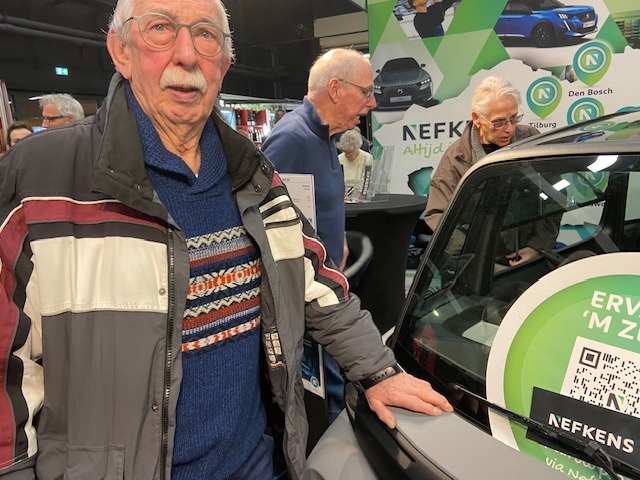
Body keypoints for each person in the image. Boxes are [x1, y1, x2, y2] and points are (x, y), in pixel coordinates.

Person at [0, 1, 452, 480]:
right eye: (160, 29)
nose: (186, 54)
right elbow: (7, 359)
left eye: (205, 34)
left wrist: (379, 371)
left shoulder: (252, 174)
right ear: (121, 51)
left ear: (225, 62)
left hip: (256, 465)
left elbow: (315, 282)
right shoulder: (41, 177)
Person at [261, 48, 378, 426]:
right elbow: (267, 226)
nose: (372, 103)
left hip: (325, 288)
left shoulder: (326, 137)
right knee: (325, 394)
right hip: (308, 300)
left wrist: (337, 238)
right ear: (335, 89)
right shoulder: (292, 140)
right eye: (366, 92)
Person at [425, 75, 558, 266]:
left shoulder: (531, 140)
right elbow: (437, 215)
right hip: (479, 265)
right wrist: (474, 254)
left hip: (529, 257)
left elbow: (554, 195)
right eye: (499, 122)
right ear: (477, 118)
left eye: (514, 118)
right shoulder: (455, 159)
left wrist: (538, 247)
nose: (509, 129)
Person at [337, 127, 373, 199]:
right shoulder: (339, 159)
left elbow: (368, 180)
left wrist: (362, 194)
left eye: (350, 152)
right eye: (345, 152)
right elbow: (337, 181)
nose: (348, 155)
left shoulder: (367, 157)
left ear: (357, 148)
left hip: (361, 196)